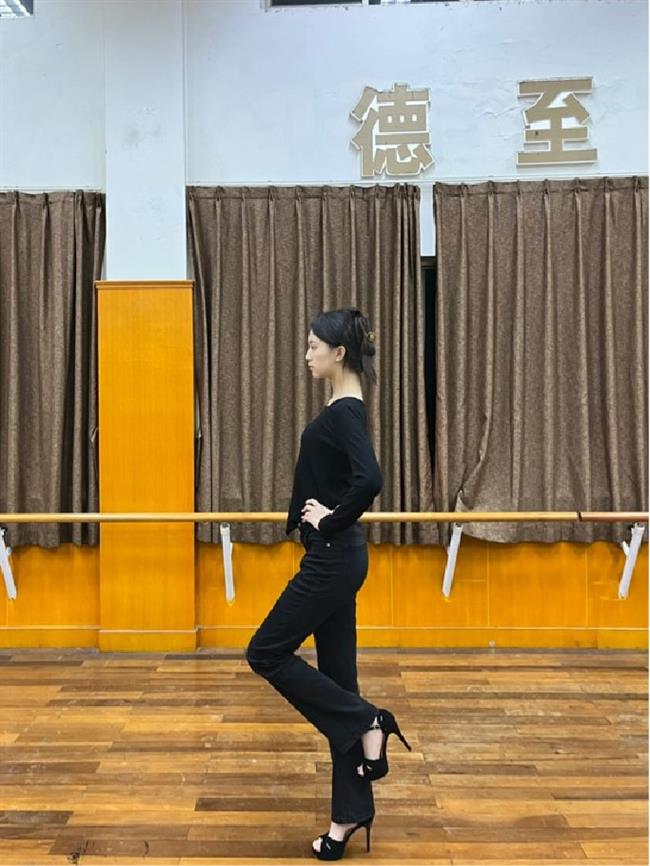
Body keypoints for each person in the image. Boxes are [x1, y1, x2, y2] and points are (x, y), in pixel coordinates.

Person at [246, 307, 411, 861]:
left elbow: (371, 479)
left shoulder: (345, 412)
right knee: (340, 682)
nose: (307, 354)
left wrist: (331, 519)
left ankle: (368, 720)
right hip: (337, 557)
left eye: (314, 346)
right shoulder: (344, 408)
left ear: (339, 353)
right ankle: (347, 817)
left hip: (334, 557)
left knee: (265, 652)